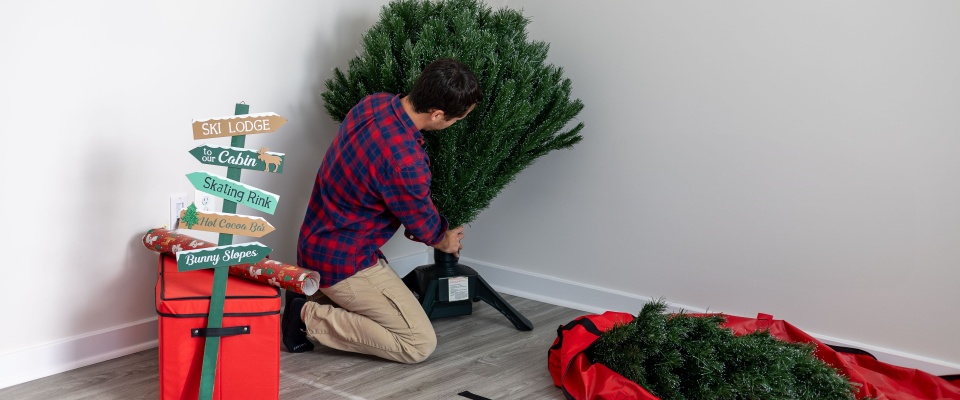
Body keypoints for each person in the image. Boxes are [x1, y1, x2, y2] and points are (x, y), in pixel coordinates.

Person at [283, 58, 482, 363]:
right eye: (456, 119)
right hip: (346, 262)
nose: (456, 124)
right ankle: (305, 316)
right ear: (438, 114)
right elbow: (423, 224)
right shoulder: (405, 159)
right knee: (417, 343)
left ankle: (311, 291)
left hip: (314, 244)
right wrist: (445, 239)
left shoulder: (373, 104)